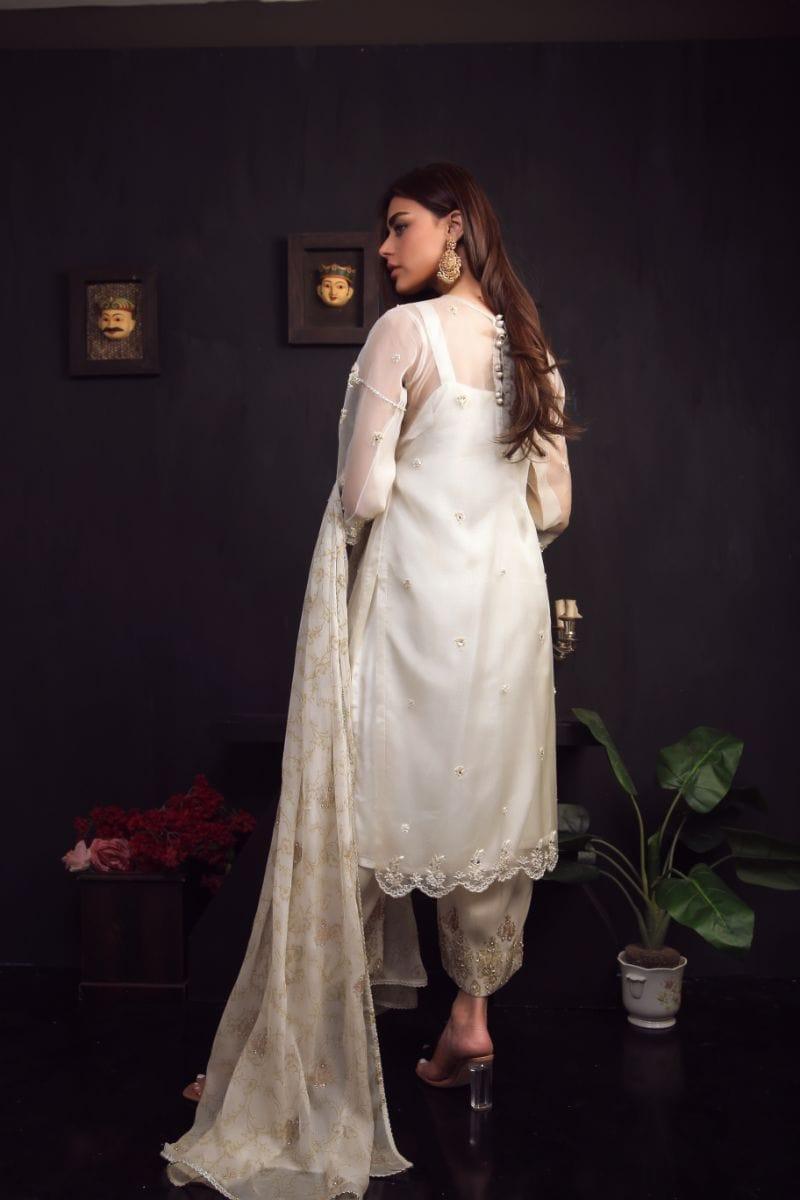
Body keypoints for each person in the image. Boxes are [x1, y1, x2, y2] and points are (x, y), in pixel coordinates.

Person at [161, 161, 582, 1200]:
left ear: (454, 226)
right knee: (480, 815)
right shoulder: (529, 350)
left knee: (356, 818)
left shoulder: (405, 332)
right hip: (503, 617)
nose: (385, 250)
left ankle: (287, 1068)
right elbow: (553, 508)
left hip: (411, 612)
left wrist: (412, 496)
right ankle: (469, 1023)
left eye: (399, 228)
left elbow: (360, 492)